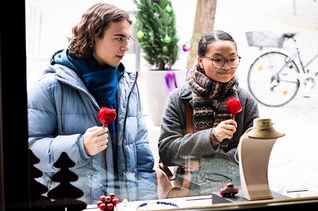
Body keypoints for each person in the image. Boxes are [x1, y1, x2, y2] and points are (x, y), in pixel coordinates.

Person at [27, 3, 157, 204]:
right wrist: (80, 146)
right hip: (76, 204)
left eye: (128, 38)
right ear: (94, 36)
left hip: (124, 204)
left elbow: (141, 152)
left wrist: (147, 203)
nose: (127, 46)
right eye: (119, 38)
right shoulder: (51, 86)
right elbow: (31, 147)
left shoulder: (128, 85)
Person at [158, 30, 259, 196]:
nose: (226, 67)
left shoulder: (246, 101)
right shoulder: (179, 99)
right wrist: (212, 137)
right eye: (217, 60)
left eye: (232, 59)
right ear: (200, 60)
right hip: (190, 193)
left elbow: (253, 154)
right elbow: (167, 152)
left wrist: (199, 161)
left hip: (235, 193)